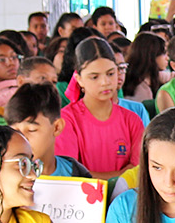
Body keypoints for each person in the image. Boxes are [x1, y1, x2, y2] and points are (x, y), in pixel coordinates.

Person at [57, 38, 144, 180]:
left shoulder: (131, 120)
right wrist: (120, 178)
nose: (105, 82)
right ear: (79, 79)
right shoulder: (67, 119)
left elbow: (138, 171)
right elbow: (70, 174)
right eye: (94, 77)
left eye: (110, 74)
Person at [3, 82, 88, 177]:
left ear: (57, 127)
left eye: (31, 130)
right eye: (15, 132)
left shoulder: (75, 172)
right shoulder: (4, 175)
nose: (22, 139)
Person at [122, 32, 168, 103]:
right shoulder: (140, 89)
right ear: (152, 55)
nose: (167, 58)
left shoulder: (151, 77)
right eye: (164, 53)